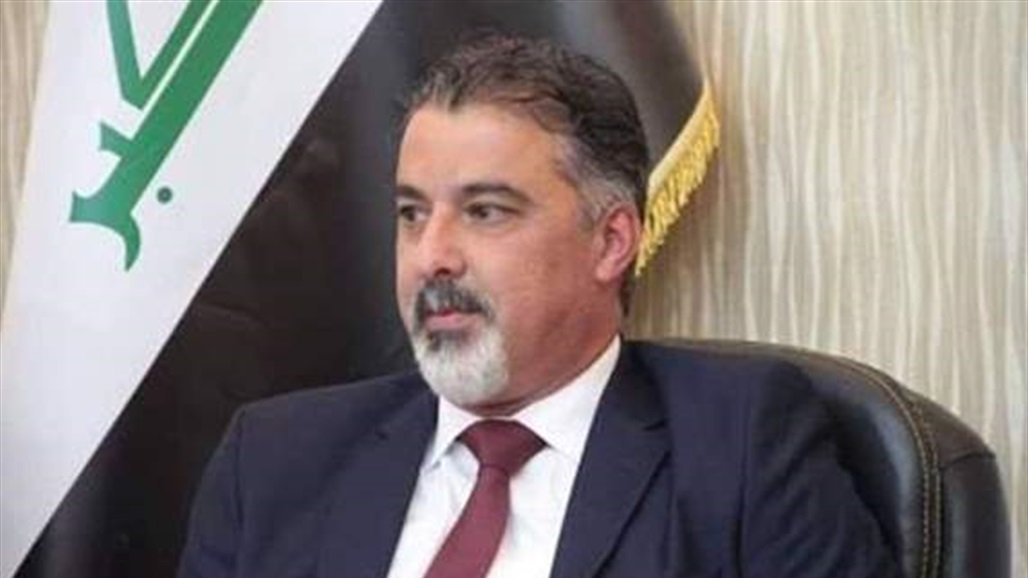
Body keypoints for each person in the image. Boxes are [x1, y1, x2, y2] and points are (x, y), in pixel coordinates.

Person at [178, 34, 896, 578]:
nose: (432, 255)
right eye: (411, 214)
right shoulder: (275, 459)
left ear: (611, 242)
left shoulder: (738, 443)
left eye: (485, 211)